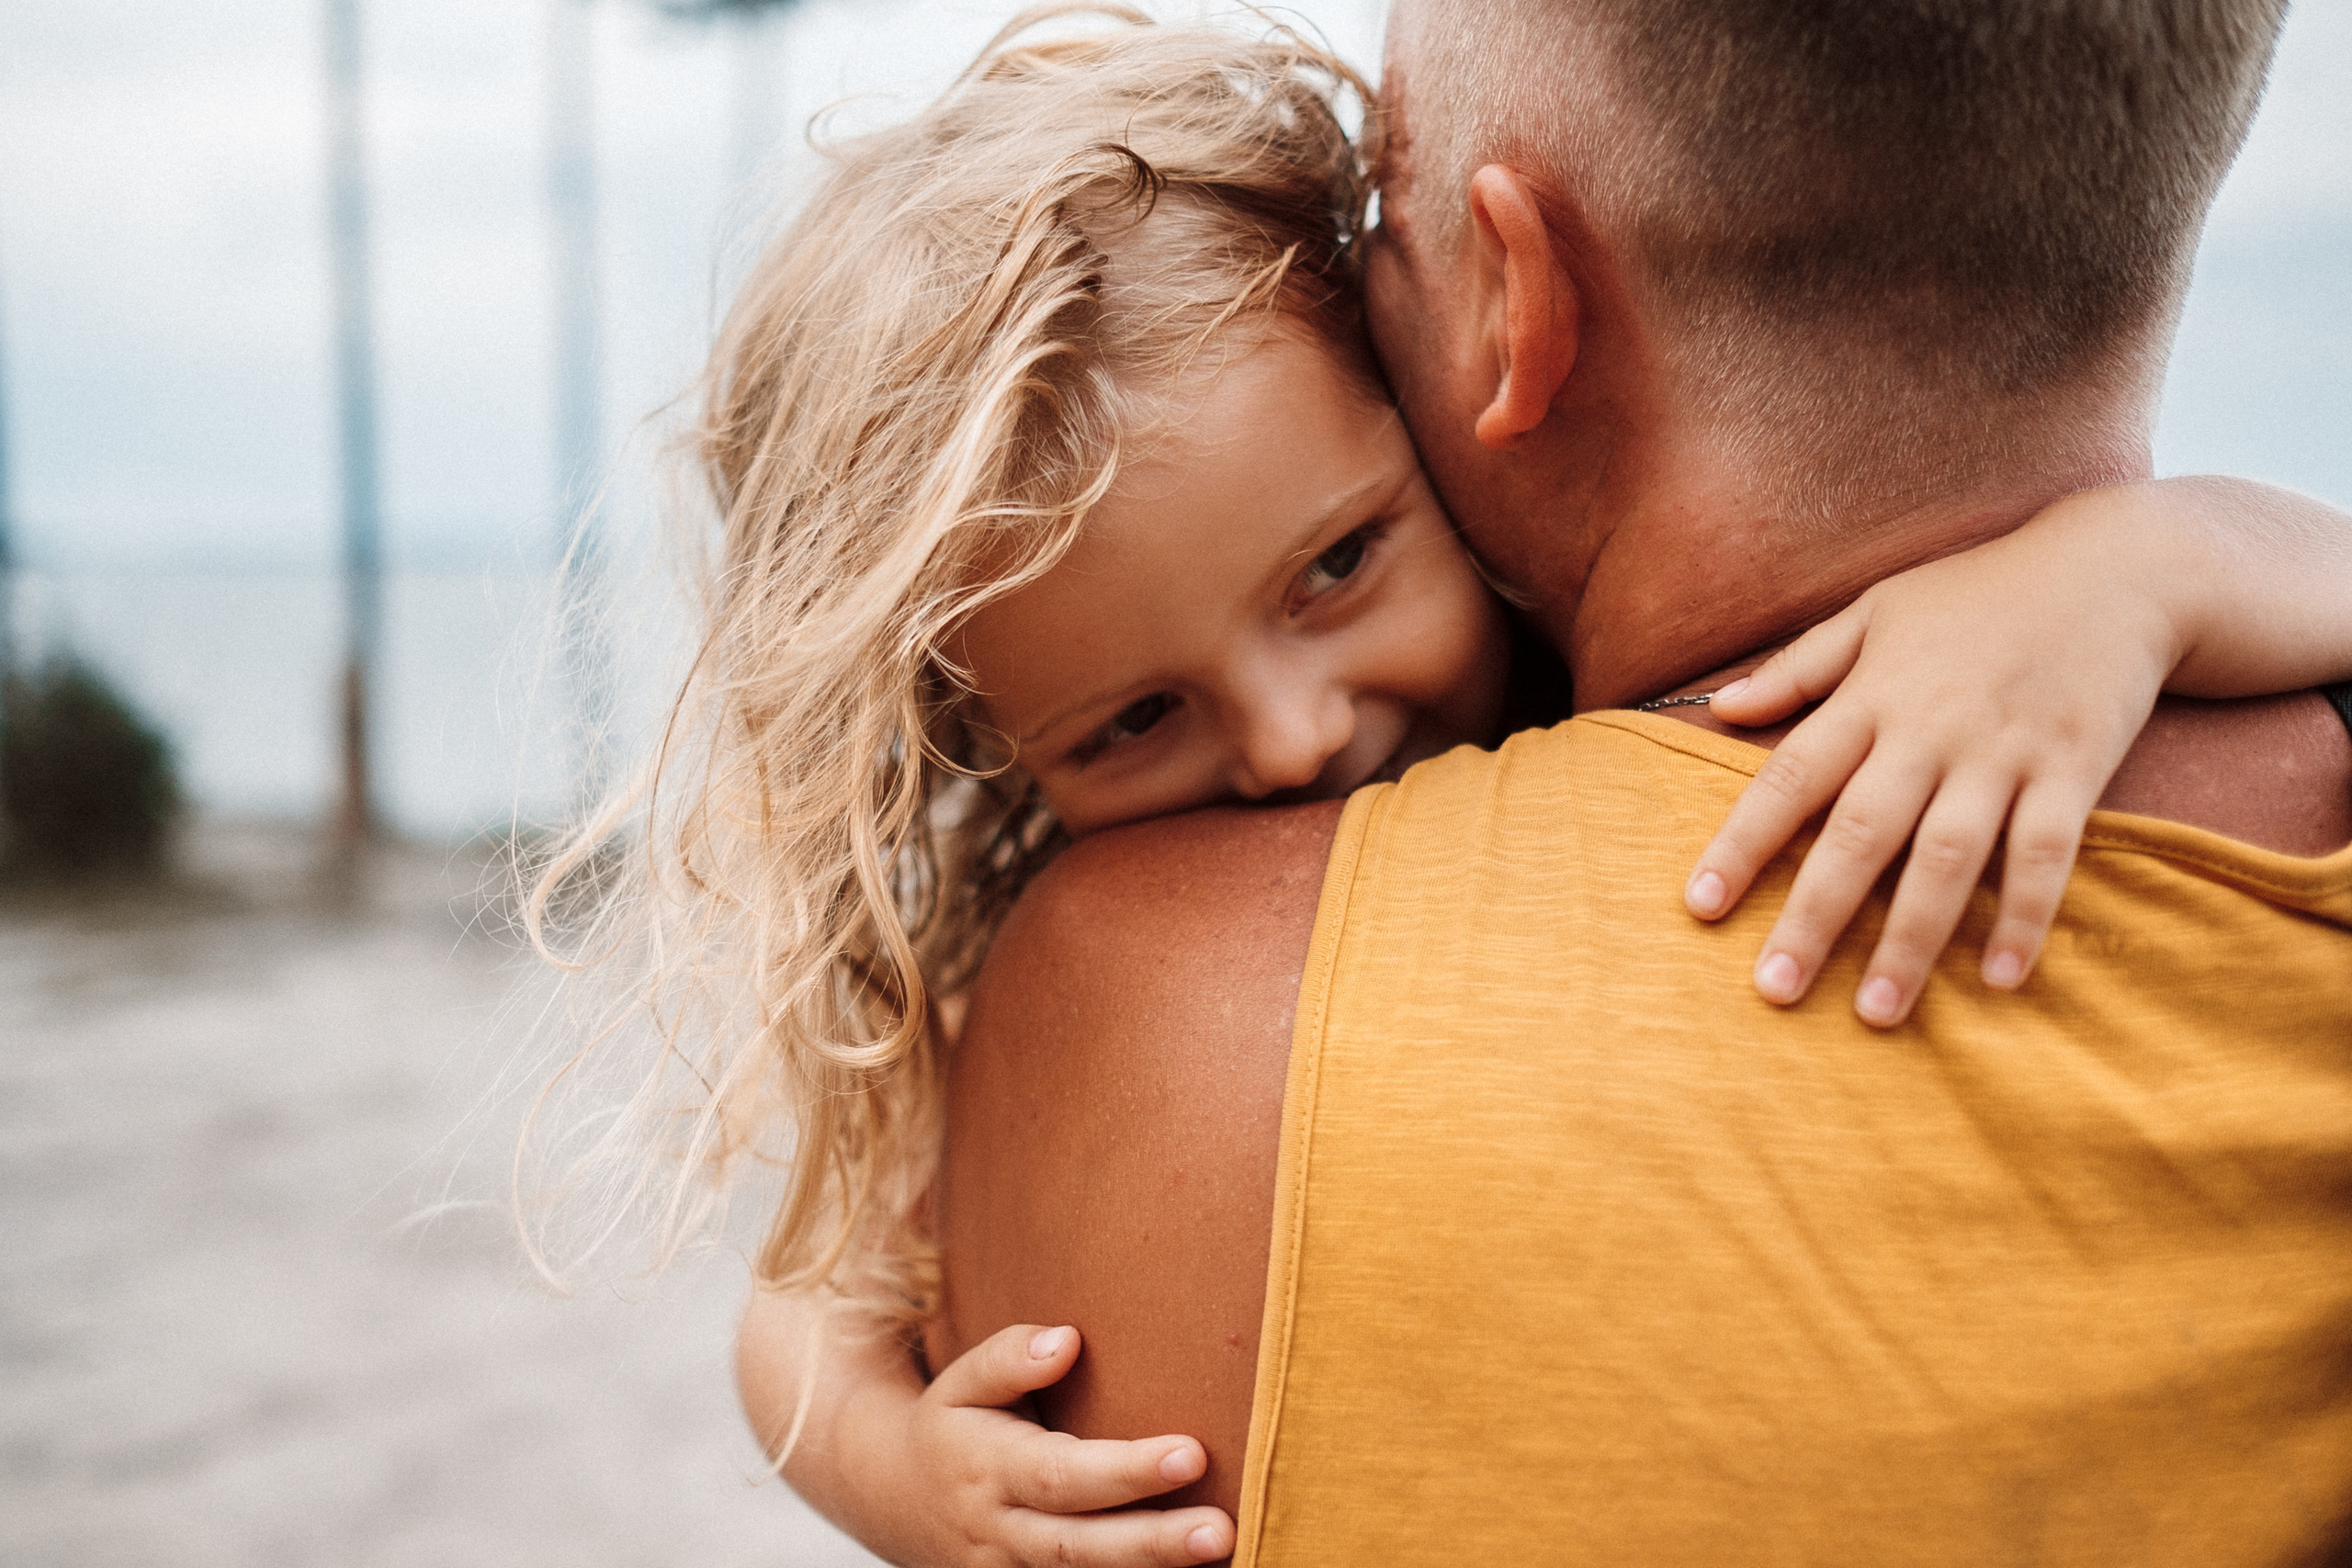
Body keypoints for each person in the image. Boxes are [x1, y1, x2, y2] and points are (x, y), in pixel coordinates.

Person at [711, 6, 2352, 1567]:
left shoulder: (1133, 1010)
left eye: (1340, 563)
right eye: (1132, 720)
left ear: (1465, 351)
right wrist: (892, 1474)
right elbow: (799, 1314)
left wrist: (2154, 566)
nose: (1290, 739)